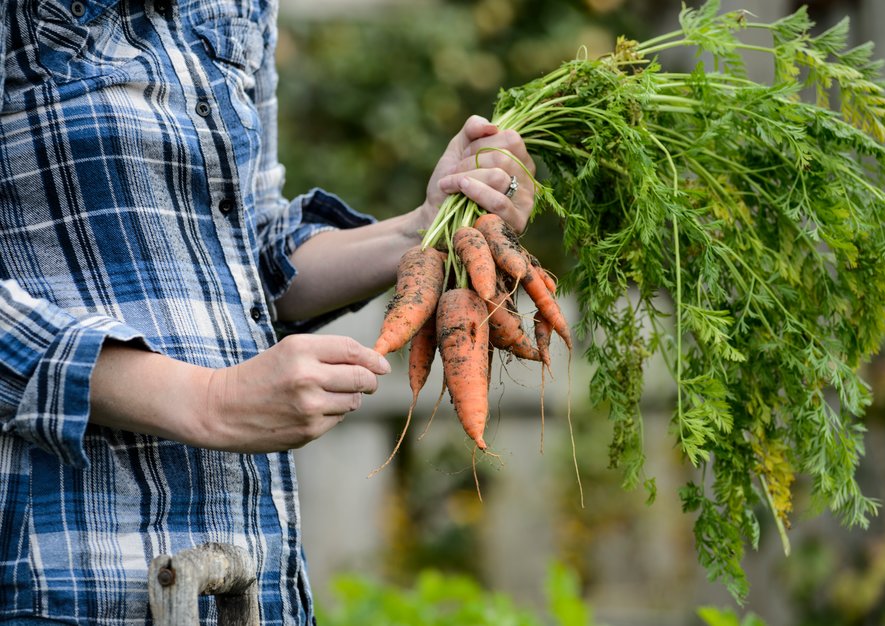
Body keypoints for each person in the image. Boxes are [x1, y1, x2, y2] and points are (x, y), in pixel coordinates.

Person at [0, 1, 535, 624]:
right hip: (66, 574)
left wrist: (423, 230)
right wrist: (210, 400)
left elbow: (246, 245)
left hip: (254, 573)